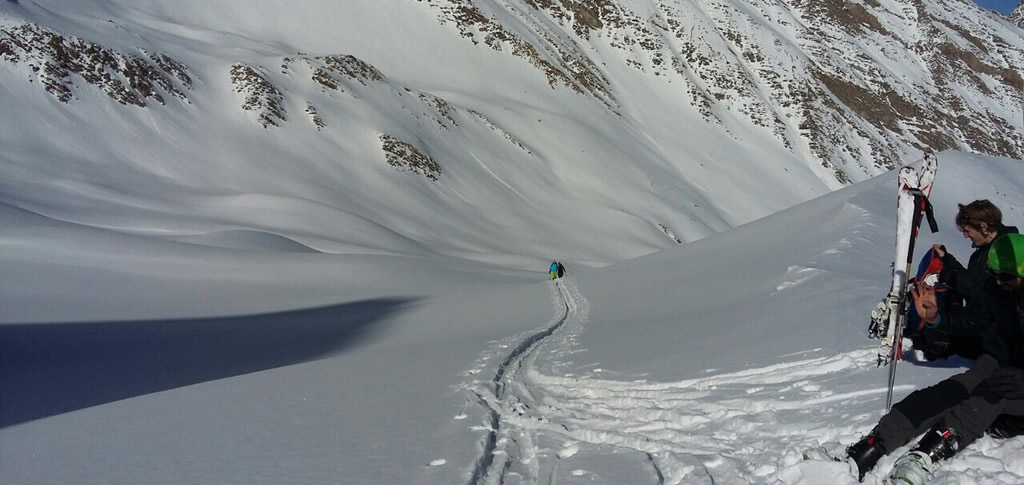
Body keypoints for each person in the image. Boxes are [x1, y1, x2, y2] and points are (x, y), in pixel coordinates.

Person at [845, 234, 1024, 483]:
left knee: (994, 392)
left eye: (1004, 277)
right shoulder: (996, 289)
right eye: (994, 274)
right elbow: (972, 320)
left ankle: (923, 457)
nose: (998, 282)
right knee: (951, 391)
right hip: (1001, 361)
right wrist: (935, 318)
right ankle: (870, 448)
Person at [919, 200, 1018, 360]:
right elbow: (975, 281)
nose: (965, 236)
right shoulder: (981, 253)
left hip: (996, 339)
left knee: (935, 337)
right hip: (982, 327)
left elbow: (980, 293)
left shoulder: (1005, 254)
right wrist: (948, 261)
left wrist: (949, 275)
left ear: (984, 227)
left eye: (967, 230)